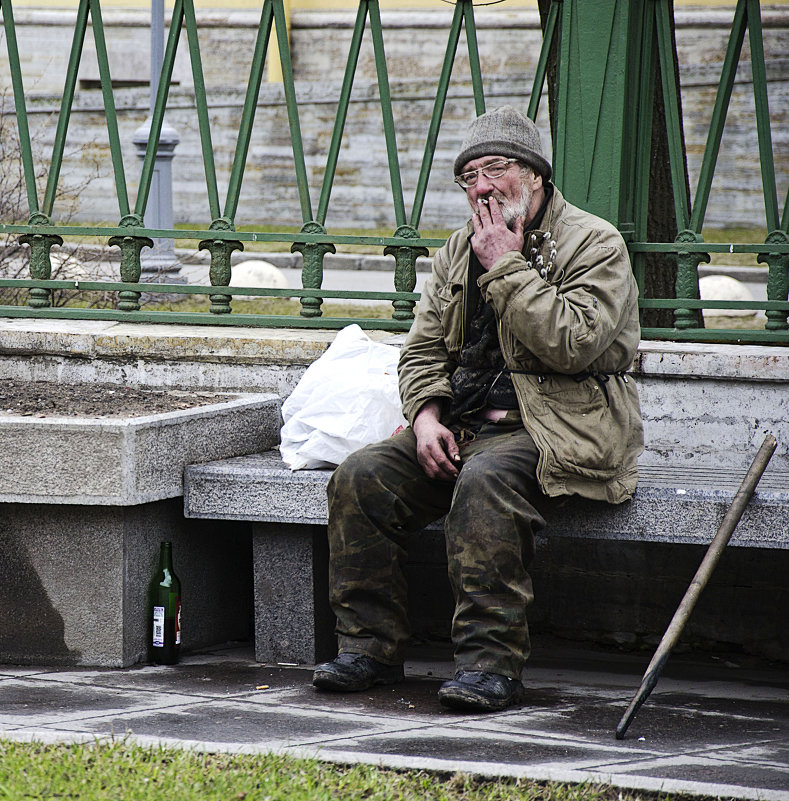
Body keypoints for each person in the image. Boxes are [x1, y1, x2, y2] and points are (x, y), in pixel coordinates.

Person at [312, 106, 643, 712]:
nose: (484, 187)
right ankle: (369, 649)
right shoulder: (455, 250)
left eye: (498, 169)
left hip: (560, 430)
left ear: (536, 176)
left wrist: (506, 265)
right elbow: (422, 350)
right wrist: (426, 416)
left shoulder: (594, 244)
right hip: (462, 423)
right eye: (470, 177)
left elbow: (574, 343)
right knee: (361, 477)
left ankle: (491, 667)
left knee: (486, 482)